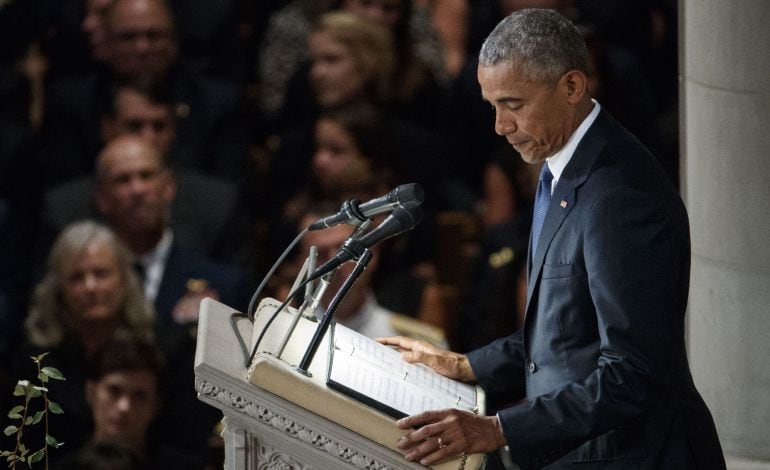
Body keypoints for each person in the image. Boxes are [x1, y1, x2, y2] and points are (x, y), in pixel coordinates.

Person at [379, 8, 725, 469]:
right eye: (492, 106)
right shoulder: (564, 167)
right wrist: (466, 366)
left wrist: (499, 429)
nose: (500, 126)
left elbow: (633, 373)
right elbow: (568, 334)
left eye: (514, 105)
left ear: (572, 87)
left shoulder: (619, 197)